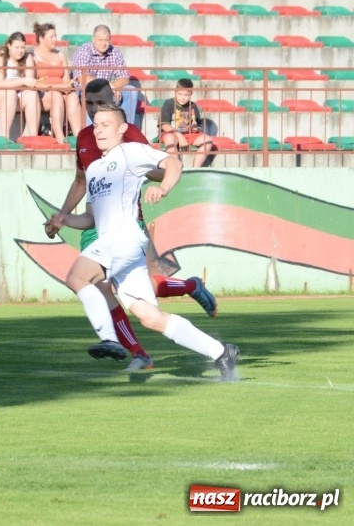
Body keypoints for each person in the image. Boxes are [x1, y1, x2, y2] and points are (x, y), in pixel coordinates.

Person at [48, 104, 239, 381]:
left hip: (124, 238)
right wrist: (64, 219)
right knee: (150, 317)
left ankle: (109, 339)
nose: (99, 130)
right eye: (96, 125)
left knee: (78, 277)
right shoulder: (94, 169)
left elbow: (173, 163)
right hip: (116, 244)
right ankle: (221, 352)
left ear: (122, 128)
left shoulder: (129, 152)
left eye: (106, 124)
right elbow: (90, 217)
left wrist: (163, 187)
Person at [0, 31, 40, 140]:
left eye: (22, 47)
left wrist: (25, 82)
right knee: (9, 92)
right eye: (16, 47)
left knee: (32, 93)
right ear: (9, 46)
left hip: (13, 95)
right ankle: (5, 136)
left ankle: (34, 137)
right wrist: (23, 81)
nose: (20, 51)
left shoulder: (27, 58)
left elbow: (30, 83)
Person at [71, 25, 138, 129]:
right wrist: (107, 86)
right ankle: (92, 132)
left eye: (106, 40)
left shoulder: (114, 52)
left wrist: (113, 87)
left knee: (131, 90)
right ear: (93, 39)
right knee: (91, 94)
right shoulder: (84, 51)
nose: (103, 43)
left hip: (109, 91)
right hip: (88, 90)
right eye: (100, 40)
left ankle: (126, 129)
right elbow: (82, 77)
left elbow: (124, 77)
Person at [31, 22, 82, 143]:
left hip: (61, 91)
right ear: (41, 38)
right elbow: (33, 82)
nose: (55, 39)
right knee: (56, 95)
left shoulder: (60, 54)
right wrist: (57, 87)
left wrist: (66, 86)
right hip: (43, 94)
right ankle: (59, 136)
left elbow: (66, 80)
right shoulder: (33, 56)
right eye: (51, 37)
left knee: (73, 96)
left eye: (55, 36)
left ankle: (79, 137)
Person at [159, 78, 214, 168]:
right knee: (169, 138)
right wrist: (180, 136)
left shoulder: (193, 106)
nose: (183, 97)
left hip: (189, 134)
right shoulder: (169, 103)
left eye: (186, 95)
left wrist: (194, 128)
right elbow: (164, 125)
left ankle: (195, 169)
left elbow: (197, 125)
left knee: (208, 140)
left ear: (191, 94)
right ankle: (176, 168)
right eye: (180, 94)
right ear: (175, 92)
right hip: (171, 133)